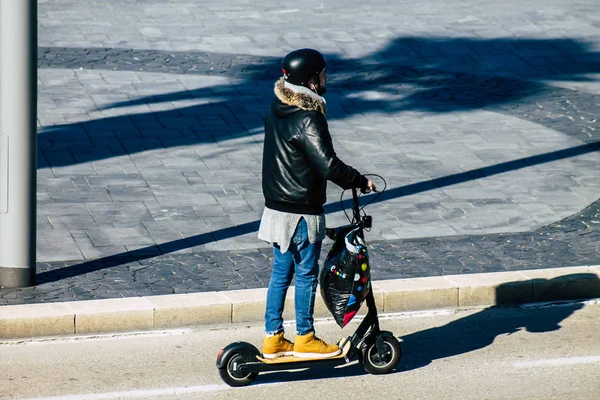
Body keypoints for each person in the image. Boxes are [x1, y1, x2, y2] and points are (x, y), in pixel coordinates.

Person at [258, 48, 376, 359]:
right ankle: (305, 337)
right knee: (307, 273)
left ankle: (273, 338)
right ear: (311, 82)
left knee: (280, 275)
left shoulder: (277, 109)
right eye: (322, 74)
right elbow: (328, 164)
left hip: (276, 208)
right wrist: (359, 181)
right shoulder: (309, 119)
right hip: (300, 211)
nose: (327, 78)